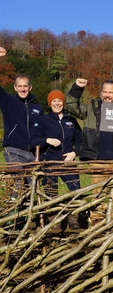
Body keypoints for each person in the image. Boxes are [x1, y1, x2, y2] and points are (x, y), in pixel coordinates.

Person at [65, 78, 113, 222]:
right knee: (98, 195)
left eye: (111, 93)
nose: (107, 95)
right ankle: (98, 223)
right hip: (98, 161)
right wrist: (77, 88)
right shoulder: (92, 108)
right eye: (104, 92)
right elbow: (70, 105)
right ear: (100, 93)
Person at [30, 89, 84, 230]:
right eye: (54, 101)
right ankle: (54, 220)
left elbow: (81, 140)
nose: (57, 103)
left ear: (63, 102)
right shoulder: (42, 120)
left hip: (68, 162)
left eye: (59, 100)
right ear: (50, 103)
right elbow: (33, 140)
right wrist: (46, 140)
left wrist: (74, 152)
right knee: (51, 192)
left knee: (75, 190)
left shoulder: (71, 120)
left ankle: (74, 218)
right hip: (49, 162)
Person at [0, 47, 44, 201]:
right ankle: (12, 221)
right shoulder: (8, 102)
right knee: (16, 186)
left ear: (30, 87)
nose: (23, 89)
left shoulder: (37, 108)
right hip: (14, 152)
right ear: (15, 87)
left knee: (33, 189)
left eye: (25, 86)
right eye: (19, 86)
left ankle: (28, 221)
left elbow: (43, 131)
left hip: (32, 154)